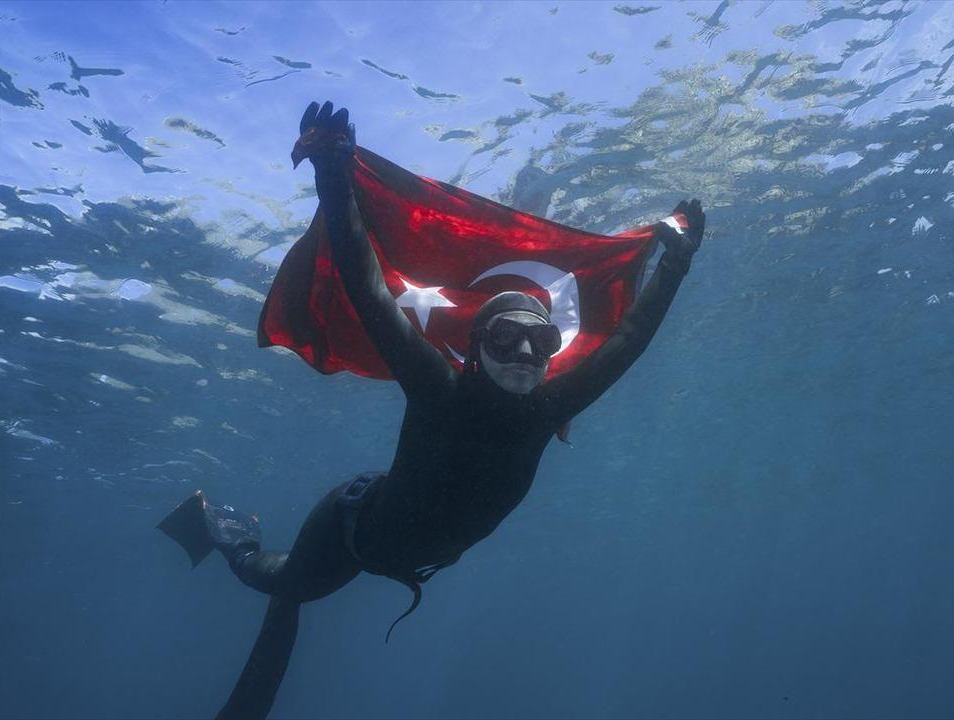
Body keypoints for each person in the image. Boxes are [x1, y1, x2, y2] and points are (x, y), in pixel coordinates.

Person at [158, 100, 706, 720]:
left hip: (395, 543)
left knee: (292, 596)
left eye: (543, 341)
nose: (526, 353)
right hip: (348, 531)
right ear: (476, 347)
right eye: (507, 338)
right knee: (281, 582)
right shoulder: (438, 388)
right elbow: (369, 291)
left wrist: (676, 263)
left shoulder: (552, 402)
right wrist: (333, 176)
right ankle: (226, 533)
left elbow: (629, 339)